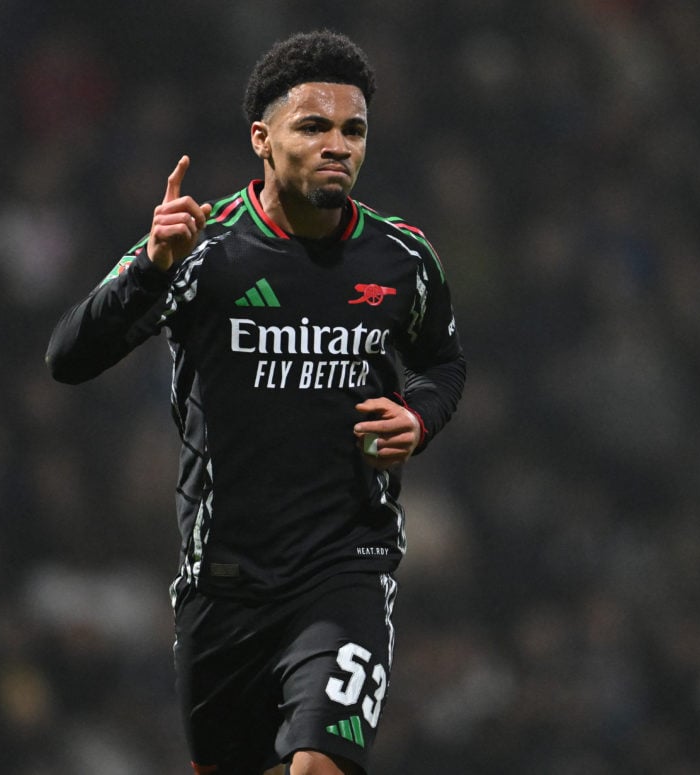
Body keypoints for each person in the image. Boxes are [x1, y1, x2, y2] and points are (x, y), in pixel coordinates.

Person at [46, 29, 466, 775]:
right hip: (224, 584)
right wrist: (147, 267)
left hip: (346, 568)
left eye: (353, 129)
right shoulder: (199, 250)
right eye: (314, 126)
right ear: (261, 140)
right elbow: (69, 358)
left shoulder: (402, 258)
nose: (338, 144)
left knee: (318, 768)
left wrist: (419, 416)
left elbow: (443, 360)